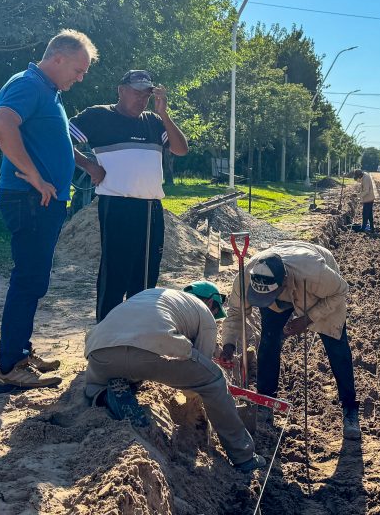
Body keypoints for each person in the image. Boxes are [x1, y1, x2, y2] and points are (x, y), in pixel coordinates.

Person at [0, 29, 101, 393]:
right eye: (79, 69)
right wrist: (36, 177)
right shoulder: (29, 84)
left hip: (42, 201)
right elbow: (2, 125)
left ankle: (19, 353)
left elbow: (55, 140)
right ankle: (9, 367)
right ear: (58, 58)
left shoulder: (48, 91)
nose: (80, 78)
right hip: (28, 198)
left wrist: (83, 164)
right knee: (28, 279)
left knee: (35, 279)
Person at [84, 284, 265, 473]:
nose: (214, 318)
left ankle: (104, 395)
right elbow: (195, 383)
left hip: (99, 351)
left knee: (99, 382)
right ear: (211, 302)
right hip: (152, 349)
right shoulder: (204, 312)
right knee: (214, 381)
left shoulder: (150, 295)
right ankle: (243, 456)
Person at [68, 70, 189, 322]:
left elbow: (180, 149)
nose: (141, 101)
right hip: (116, 206)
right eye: (136, 94)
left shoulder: (154, 122)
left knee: (145, 276)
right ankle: (106, 338)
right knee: (115, 274)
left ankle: (138, 336)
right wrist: (89, 165)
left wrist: (164, 114)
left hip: (151, 209)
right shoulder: (98, 116)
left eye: (146, 95)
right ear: (121, 90)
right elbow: (60, 139)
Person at [220, 241, 361, 440]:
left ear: (283, 282)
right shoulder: (246, 277)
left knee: (336, 344)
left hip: (317, 292)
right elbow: (235, 312)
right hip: (278, 292)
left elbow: (341, 290)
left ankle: (350, 410)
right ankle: (265, 402)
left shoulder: (316, 273)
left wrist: (308, 318)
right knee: (269, 340)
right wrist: (228, 345)